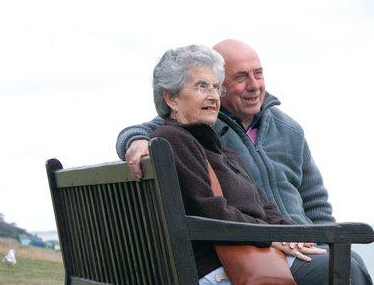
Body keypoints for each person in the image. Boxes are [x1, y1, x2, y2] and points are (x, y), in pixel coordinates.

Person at [148, 44, 372, 285]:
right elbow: (210, 210)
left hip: (249, 251)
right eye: (202, 86)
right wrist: (271, 236)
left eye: (215, 87)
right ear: (170, 97)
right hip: (224, 266)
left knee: (347, 260)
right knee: (343, 267)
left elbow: (264, 206)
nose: (213, 95)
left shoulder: (221, 151)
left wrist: (298, 237)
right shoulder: (175, 139)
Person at [116, 40, 333, 225]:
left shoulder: (289, 129)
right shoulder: (202, 124)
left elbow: (316, 202)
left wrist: (330, 247)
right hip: (262, 249)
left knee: (349, 263)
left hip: (298, 242)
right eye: (241, 77)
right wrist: (137, 140)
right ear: (222, 85)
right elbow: (159, 127)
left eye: (258, 73)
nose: (254, 85)